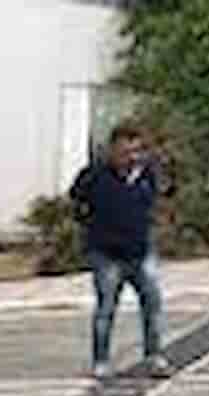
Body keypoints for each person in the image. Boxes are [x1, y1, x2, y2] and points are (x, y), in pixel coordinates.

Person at [69, 122, 170, 380]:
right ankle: (101, 361)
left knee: (153, 304)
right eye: (126, 151)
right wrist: (91, 232)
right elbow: (76, 203)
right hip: (107, 254)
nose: (131, 158)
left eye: (137, 151)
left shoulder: (146, 174)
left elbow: (161, 197)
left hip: (141, 250)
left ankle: (154, 356)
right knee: (106, 308)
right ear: (113, 149)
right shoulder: (94, 175)